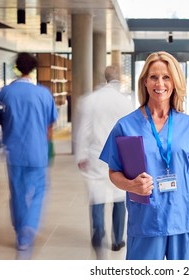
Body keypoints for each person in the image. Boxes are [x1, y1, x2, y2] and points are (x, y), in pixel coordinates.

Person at [100, 51, 189, 260]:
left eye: (166, 77)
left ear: (175, 81)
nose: (160, 83)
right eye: (154, 77)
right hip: (146, 222)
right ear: (145, 82)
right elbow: (114, 172)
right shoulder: (126, 126)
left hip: (184, 221)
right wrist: (131, 185)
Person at [0, 52, 58, 253]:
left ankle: (21, 232)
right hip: (37, 151)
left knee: (18, 193)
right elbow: (50, 125)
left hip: (14, 152)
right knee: (39, 190)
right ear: (34, 69)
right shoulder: (44, 94)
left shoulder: (6, 92)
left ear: (16, 68)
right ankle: (30, 225)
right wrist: (47, 146)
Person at [74, 65, 133, 257]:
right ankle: (117, 240)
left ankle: (98, 236)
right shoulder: (126, 102)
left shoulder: (91, 99)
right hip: (121, 155)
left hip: (96, 154)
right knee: (119, 196)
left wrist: (81, 155)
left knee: (97, 196)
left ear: (105, 77)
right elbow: (131, 133)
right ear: (120, 79)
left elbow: (84, 129)